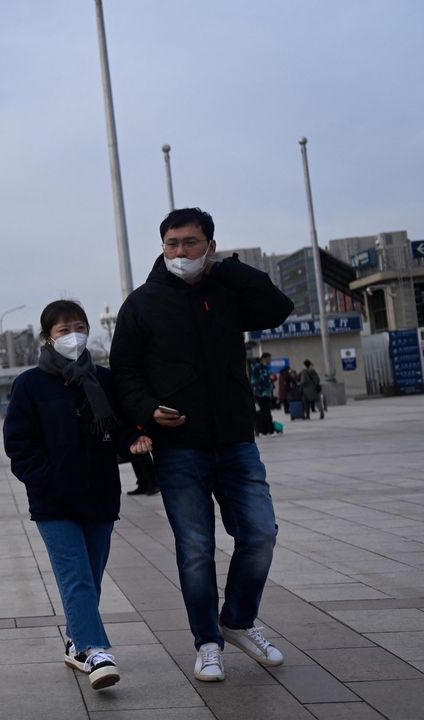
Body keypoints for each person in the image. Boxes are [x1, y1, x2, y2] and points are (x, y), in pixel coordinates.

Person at [110, 207, 294, 682]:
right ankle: (207, 642)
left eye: (190, 243)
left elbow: (278, 308)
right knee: (195, 549)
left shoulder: (228, 292)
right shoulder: (143, 303)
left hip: (235, 440)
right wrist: (148, 409)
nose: (179, 252)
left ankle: (236, 621)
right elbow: (125, 371)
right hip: (179, 448)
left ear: (209, 246)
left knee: (260, 535)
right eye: (171, 243)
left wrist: (227, 268)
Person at [5, 300, 152, 689]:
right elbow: (19, 444)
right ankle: (95, 650)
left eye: (80, 327)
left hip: (100, 495)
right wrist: (46, 479)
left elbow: (120, 428)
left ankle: (75, 643)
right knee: (77, 578)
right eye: (63, 330)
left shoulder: (103, 380)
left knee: (91, 575)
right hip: (55, 502)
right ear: (47, 338)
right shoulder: (30, 385)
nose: (74, 336)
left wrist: (134, 440)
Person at [251, 353, 276, 436]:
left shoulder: (266, 368)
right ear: (264, 358)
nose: (270, 361)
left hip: (267, 393)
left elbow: (269, 379)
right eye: (268, 359)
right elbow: (253, 381)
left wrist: (271, 381)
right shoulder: (257, 367)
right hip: (260, 394)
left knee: (267, 412)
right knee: (264, 412)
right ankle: (264, 431)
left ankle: (270, 430)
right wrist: (261, 386)